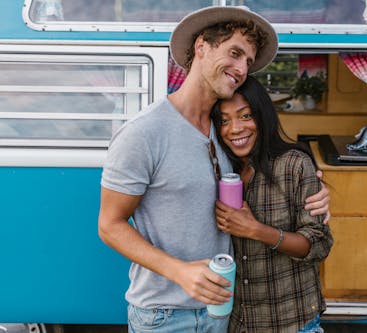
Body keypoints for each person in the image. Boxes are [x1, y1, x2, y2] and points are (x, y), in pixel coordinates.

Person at [98, 5, 330, 333]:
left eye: (248, 61)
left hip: (222, 311)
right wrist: (179, 271)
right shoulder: (143, 133)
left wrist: (317, 191)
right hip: (166, 316)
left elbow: (269, 177)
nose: (241, 68)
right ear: (202, 47)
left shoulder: (223, 134)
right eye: (234, 53)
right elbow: (109, 225)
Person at [212, 75, 333, 333]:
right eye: (224, 120)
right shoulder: (218, 169)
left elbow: (319, 244)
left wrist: (255, 230)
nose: (234, 129)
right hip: (236, 323)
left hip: (291, 322)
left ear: (263, 116)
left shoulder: (294, 165)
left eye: (245, 116)